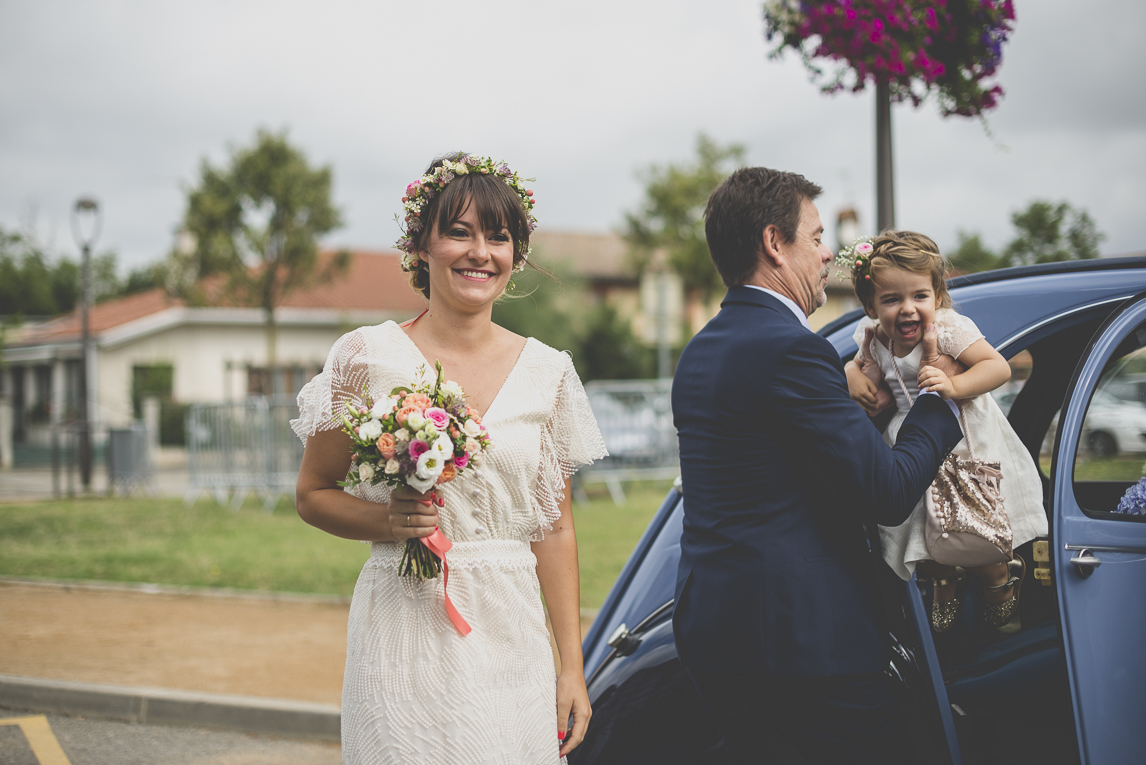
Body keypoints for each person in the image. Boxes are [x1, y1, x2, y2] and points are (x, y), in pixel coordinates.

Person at [292, 154, 606, 764]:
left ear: (516, 255)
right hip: (404, 625)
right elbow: (312, 492)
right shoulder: (365, 357)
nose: (479, 252)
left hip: (512, 631)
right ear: (421, 244)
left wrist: (572, 666)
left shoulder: (550, 373)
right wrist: (387, 522)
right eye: (459, 232)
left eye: (499, 236)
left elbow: (556, 525)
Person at [671, 167, 964, 763]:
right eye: (816, 236)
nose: (829, 252)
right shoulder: (792, 349)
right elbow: (886, 490)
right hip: (803, 644)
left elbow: (778, 470)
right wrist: (939, 400)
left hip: (716, 631)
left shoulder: (702, 348)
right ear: (774, 243)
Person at [843, 231, 1046, 634]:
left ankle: (999, 578)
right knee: (920, 531)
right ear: (870, 306)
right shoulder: (873, 338)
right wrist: (851, 374)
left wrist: (954, 386)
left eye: (919, 296)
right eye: (891, 300)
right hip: (913, 446)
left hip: (962, 440)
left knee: (971, 526)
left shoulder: (950, 328)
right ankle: (943, 578)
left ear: (937, 296)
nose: (907, 310)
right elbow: (858, 363)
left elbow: (997, 368)